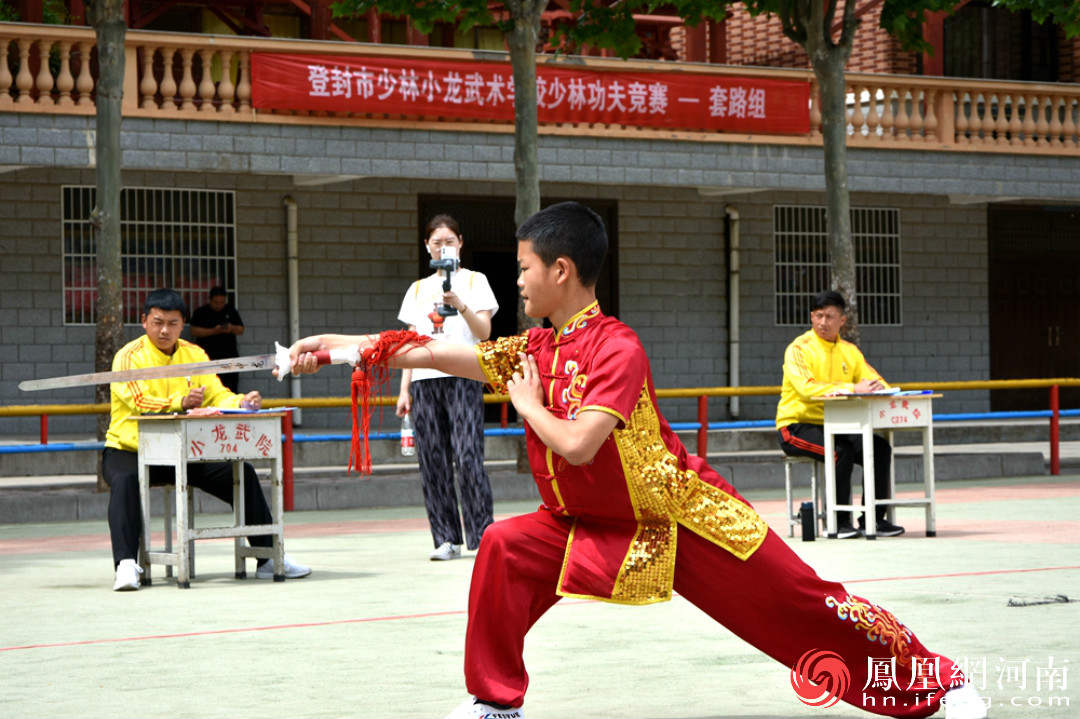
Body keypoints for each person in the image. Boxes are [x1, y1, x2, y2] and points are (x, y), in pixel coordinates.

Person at [285, 202, 987, 719]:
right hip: (586, 519)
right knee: (503, 546)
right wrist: (338, 346)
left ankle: (937, 681)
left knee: (803, 602)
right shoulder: (534, 347)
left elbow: (581, 442)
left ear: (560, 270)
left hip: (678, 515)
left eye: (524, 268)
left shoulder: (616, 347)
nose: (518, 280)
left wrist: (527, 406)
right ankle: (496, 702)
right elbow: (434, 350)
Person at [103, 288, 310, 591]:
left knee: (243, 473)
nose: (164, 330)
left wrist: (243, 403)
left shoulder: (195, 355)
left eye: (172, 323)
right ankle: (125, 565)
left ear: (183, 323)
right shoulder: (128, 357)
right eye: (157, 322)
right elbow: (138, 402)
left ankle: (267, 558)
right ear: (144, 320)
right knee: (123, 483)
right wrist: (181, 401)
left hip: (182, 450)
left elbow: (218, 394)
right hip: (129, 448)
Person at [395, 215, 498, 561]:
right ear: (427, 246)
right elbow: (409, 342)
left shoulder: (474, 281)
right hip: (424, 380)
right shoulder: (418, 289)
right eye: (437, 242)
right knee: (433, 459)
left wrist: (461, 305)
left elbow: (483, 333)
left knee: (468, 456)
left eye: (449, 241)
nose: (443, 247)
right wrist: (404, 389)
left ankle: (483, 534)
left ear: (461, 243)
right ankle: (445, 538)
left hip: (465, 376)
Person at [776, 290, 905, 539]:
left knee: (880, 449)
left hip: (836, 425)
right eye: (819, 316)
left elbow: (875, 380)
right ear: (811, 317)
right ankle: (839, 521)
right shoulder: (798, 349)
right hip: (795, 427)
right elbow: (806, 389)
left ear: (842, 321)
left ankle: (875, 520)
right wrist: (850, 388)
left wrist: (881, 388)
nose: (823, 322)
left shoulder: (850, 351)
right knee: (840, 451)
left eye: (830, 317)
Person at [189, 286, 245, 392]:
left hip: (229, 358)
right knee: (208, 389)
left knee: (230, 389)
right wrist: (214, 331)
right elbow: (194, 330)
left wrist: (231, 328)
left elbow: (241, 329)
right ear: (210, 300)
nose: (219, 305)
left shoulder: (231, 311)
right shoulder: (202, 312)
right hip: (208, 358)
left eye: (222, 302)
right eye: (216, 302)